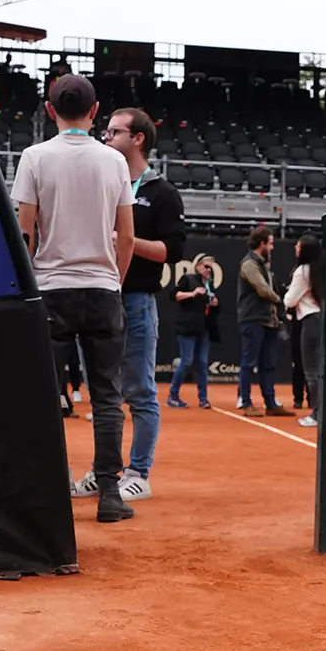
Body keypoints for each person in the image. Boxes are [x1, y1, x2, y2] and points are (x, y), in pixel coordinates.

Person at [11, 73, 137, 523]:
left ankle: (46, 491)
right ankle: (109, 494)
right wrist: (114, 282)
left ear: (50, 110)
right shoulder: (114, 162)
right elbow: (127, 235)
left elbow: (24, 231)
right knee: (107, 396)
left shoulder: (34, 157)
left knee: (44, 395)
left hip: (51, 290)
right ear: (95, 110)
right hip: (102, 289)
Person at [93, 105, 185, 502]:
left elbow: (171, 251)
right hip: (100, 296)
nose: (106, 137)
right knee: (104, 390)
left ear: (138, 139)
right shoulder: (104, 181)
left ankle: (139, 472)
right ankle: (105, 472)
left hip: (137, 301)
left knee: (140, 391)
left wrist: (125, 242)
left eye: (114, 132)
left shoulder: (162, 193)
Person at [234, 225, 294, 417]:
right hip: (253, 319)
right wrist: (280, 300)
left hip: (268, 320)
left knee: (268, 363)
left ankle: (270, 403)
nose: (273, 247)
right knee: (248, 363)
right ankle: (246, 402)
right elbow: (262, 290)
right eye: (270, 243)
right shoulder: (249, 264)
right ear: (262, 244)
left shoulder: (261, 264)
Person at [284, 233, 325, 428]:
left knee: (311, 370)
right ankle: (323, 411)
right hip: (324, 320)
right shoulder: (323, 269)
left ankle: (318, 414)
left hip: (310, 321)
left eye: (298, 246)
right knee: (321, 370)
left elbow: (289, 300)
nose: (295, 249)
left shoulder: (302, 271)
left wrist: (289, 299)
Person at [168, 254, 218, 409]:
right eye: (206, 266)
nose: (208, 270)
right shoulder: (188, 279)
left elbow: (211, 306)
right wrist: (192, 293)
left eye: (211, 267)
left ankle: (203, 399)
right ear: (198, 266)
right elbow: (173, 295)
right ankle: (173, 396)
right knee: (186, 362)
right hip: (187, 327)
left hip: (203, 328)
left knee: (203, 364)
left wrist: (215, 303)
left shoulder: (210, 285)